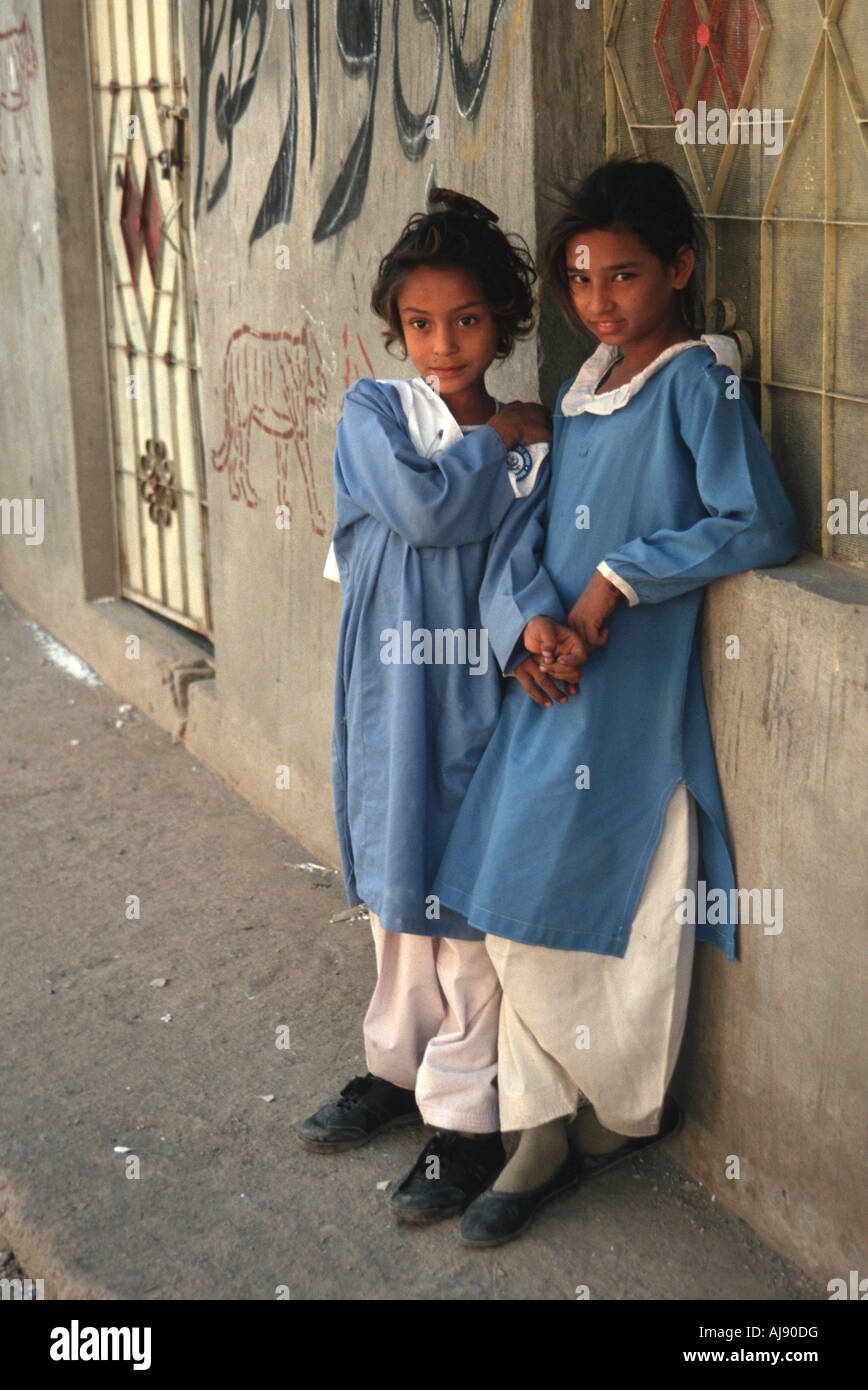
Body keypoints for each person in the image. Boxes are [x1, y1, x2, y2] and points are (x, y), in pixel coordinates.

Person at [431, 158, 799, 1246]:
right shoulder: (582, 387)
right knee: (505, 898)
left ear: (679, 267)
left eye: (625, 275)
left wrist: (616, 580)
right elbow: (531, 536)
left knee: (627, 911)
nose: (601, 299)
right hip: (554, 684)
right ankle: (539, 1120)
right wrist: (528, 624)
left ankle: (617, 1109)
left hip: (631, 701)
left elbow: (757, 522)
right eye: (583, 279)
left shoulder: (697, 380)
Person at [299, 188, 569, 1222]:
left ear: (502, 320)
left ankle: (463, 1120)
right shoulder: (375, 413)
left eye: (466, 319)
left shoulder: (533, 450)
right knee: (392, 891)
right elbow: (420, 507)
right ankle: (395, 1067)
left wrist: (528, 632)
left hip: (465, 702)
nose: (443, 342)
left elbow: (507, 567)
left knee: (461, 910)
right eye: (420, 323)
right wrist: (491, 440)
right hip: (383, 699)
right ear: (395, 329)